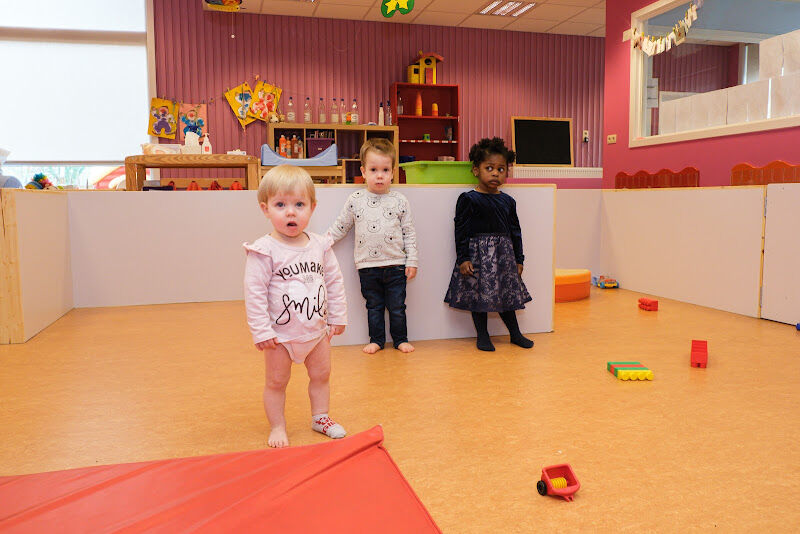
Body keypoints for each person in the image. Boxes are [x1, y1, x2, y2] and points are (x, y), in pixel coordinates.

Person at [244, 164, 348, 448]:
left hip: (316, 332)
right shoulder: (264, 250)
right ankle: (277, 426)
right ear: (265, 209)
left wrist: (338, 316)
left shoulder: (320, 245)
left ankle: (320, 416)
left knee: (322, 375)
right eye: (281, 204)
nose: (291, 212)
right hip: (280, 337)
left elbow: (334, 282)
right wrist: (261, 331)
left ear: (312, 208)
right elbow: (254, 294)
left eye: (299, 204)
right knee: (277, 382)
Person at [327, 138, 418, 354]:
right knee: (374, 307)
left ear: (393, 172)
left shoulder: (400, 201)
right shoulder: (355, 199)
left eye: (385, 170)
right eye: (374, 169)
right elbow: (341, 226)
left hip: (396, 265)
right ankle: (376, 340)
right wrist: (322, 242)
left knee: (397, 308)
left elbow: (409, 233)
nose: (380, 175)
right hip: (367, 266)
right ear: (363, 171)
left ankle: (400, 340)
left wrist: (412, 260)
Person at [444, 137, 534, 352]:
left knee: (506, 295)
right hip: (478, 256)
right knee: (479, 297)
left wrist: (519, 259)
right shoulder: (468, 199)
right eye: (490, 168)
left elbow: (515, 232)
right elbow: (461, 230)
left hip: (504, 257)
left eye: (501, 169)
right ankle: (482, 336)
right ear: (476, 170)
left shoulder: (508, 201)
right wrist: (463, 258)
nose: (495, 173)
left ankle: (515, 334)